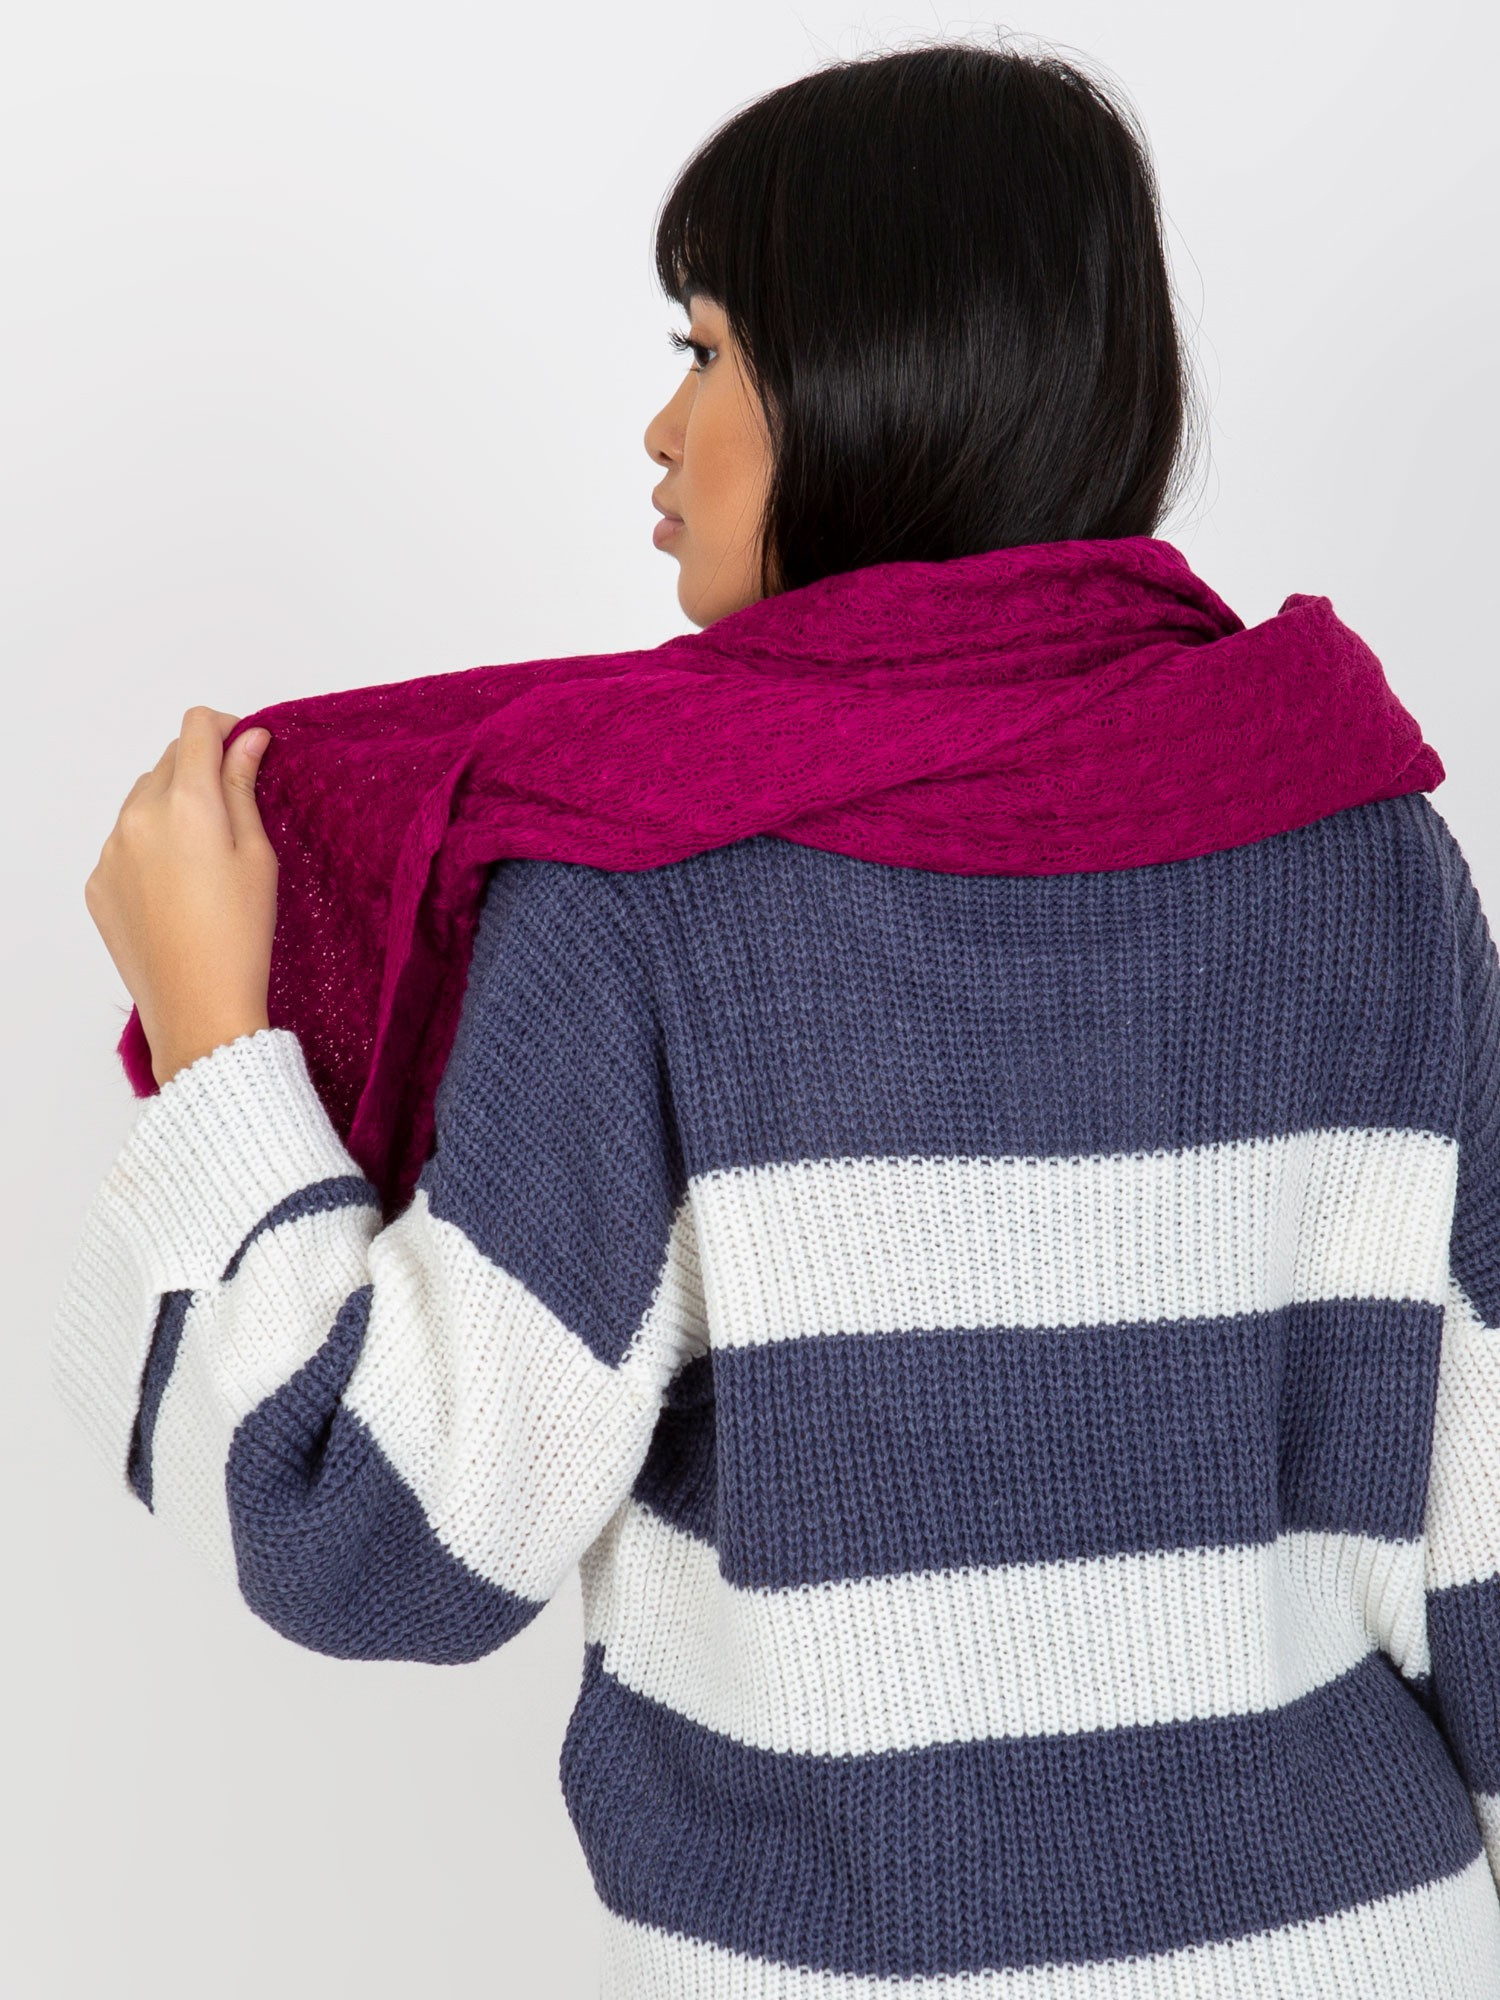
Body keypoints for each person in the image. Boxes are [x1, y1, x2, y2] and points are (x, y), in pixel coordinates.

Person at [52, 36, 1500, 1998]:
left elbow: (386, 1536)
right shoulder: (1367, 846)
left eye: (707, 349)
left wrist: (222, 1051)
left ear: (877, 369)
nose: (663, 432)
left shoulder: (650, 881)